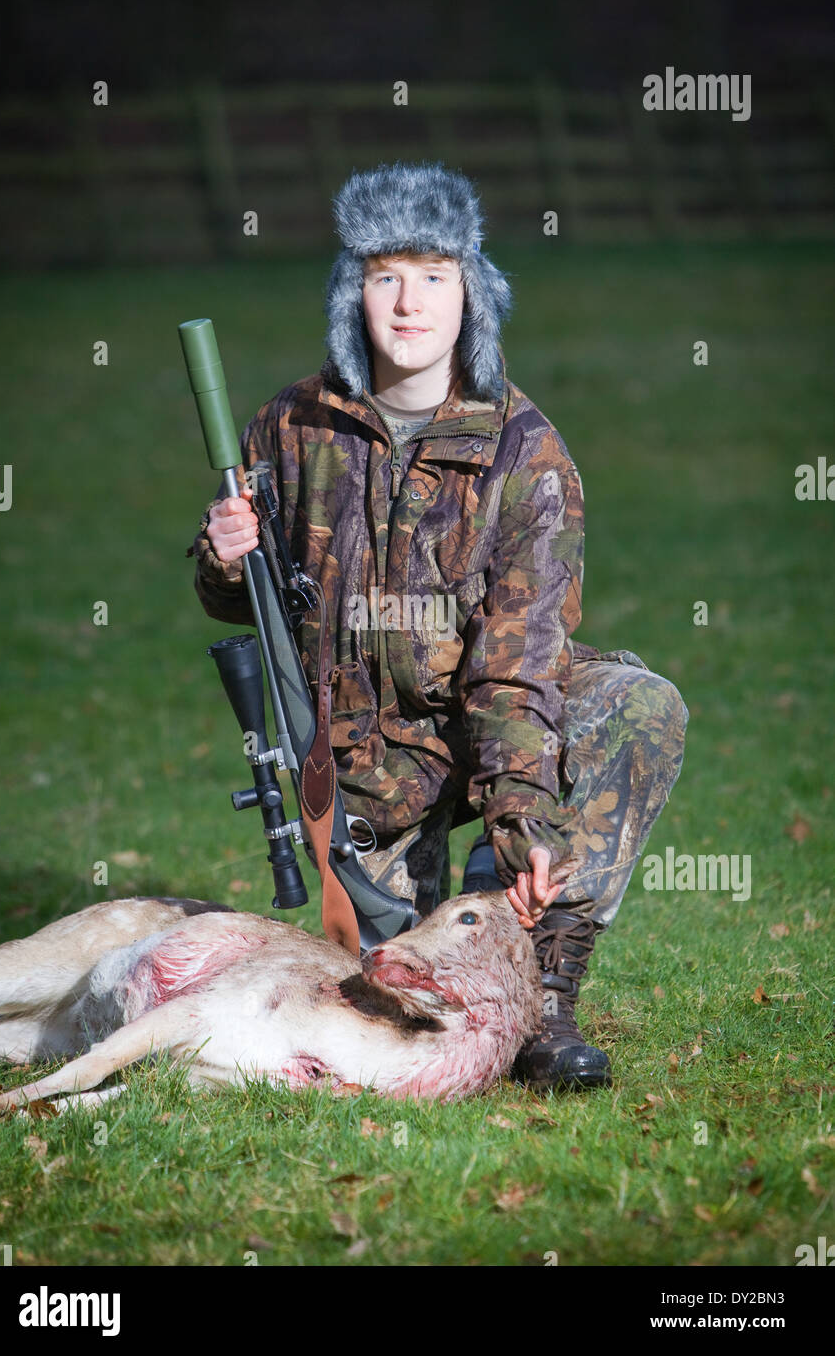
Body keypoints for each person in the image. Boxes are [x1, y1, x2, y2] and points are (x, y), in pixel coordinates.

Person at [188, 161, 688, 1091]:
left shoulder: (523, 450)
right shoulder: (291, 428)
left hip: (485, 724)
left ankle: (545, 999)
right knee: (389, 991)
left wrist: (523, 824)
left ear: (473, 295)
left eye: (433, 275)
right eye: (385, 276)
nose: (408, 303)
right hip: (367, 772)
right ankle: (440, 899)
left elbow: (518, 663)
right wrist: (224, 555)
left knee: (637, 706)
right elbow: (235, 601)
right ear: (354, 295)